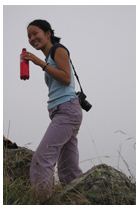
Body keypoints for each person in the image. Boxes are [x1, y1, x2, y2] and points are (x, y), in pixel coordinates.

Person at [22, 19, 83, 201]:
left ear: (48, 33)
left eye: (35, 33)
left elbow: (66, 78)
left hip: (67, 110)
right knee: (68, 169)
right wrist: (43, 63)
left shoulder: (58, 49)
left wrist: (41, 63)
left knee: (42, 160)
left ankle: (43, 202)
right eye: (29, 36)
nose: (32, 38)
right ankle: (78, 200)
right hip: (62, 112)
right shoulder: (49, 57)